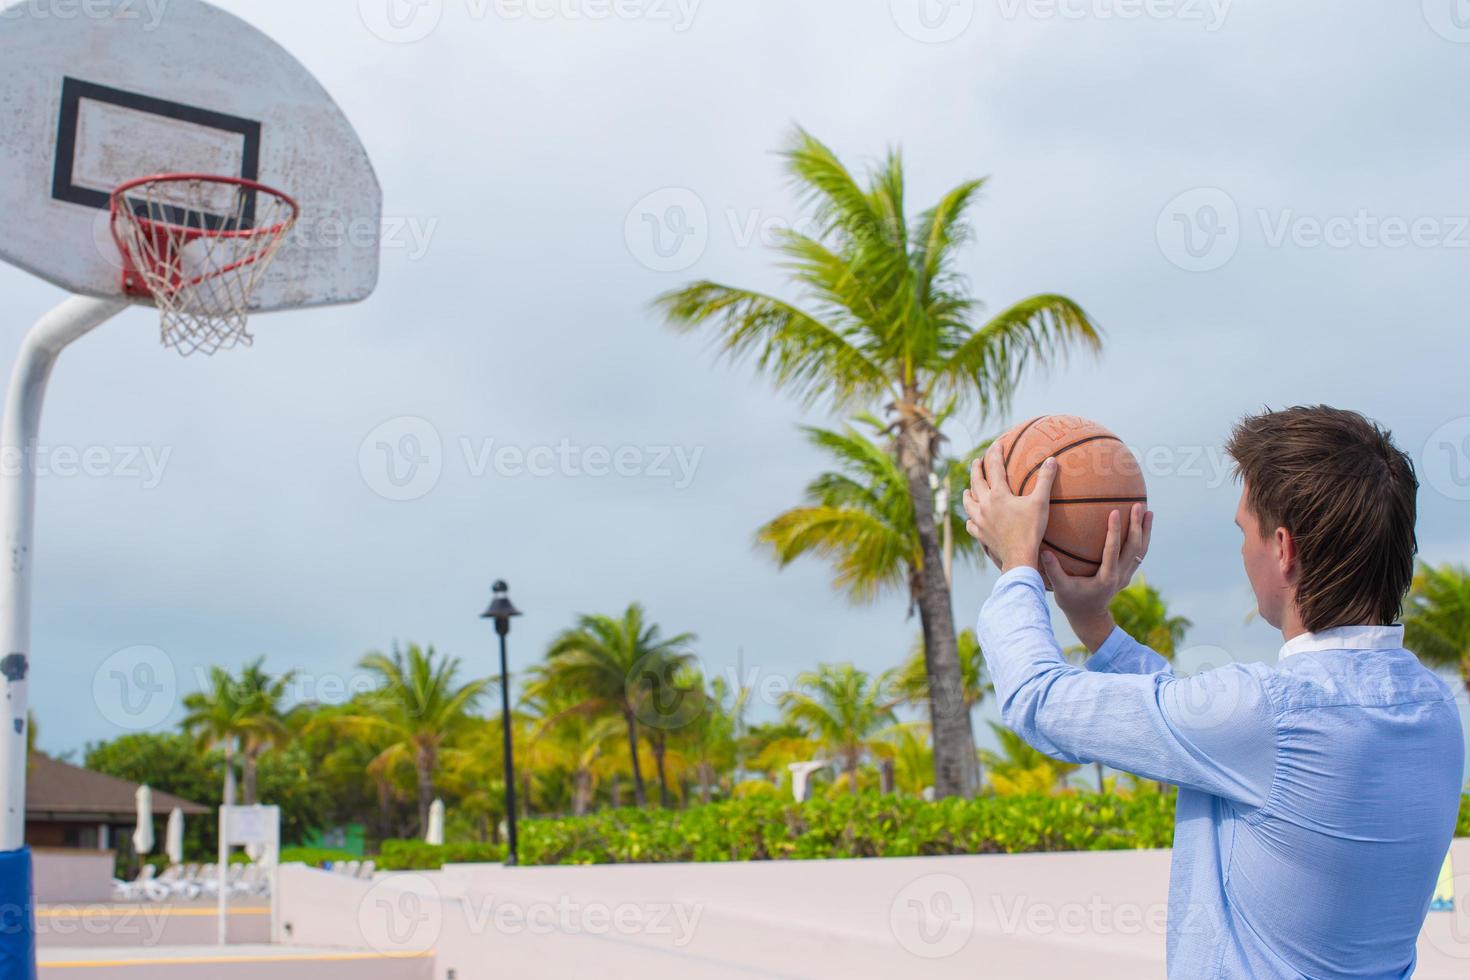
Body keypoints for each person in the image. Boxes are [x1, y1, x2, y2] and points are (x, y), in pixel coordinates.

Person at [964, 405, 1464, 978]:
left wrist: (1017, 564)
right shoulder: (1434, 711)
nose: (1241, 551)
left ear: (1284, 549)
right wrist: (1093, 619)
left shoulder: (1268, 716)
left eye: (1242, 532)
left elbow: (1038, 700)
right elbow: (1192, 719)